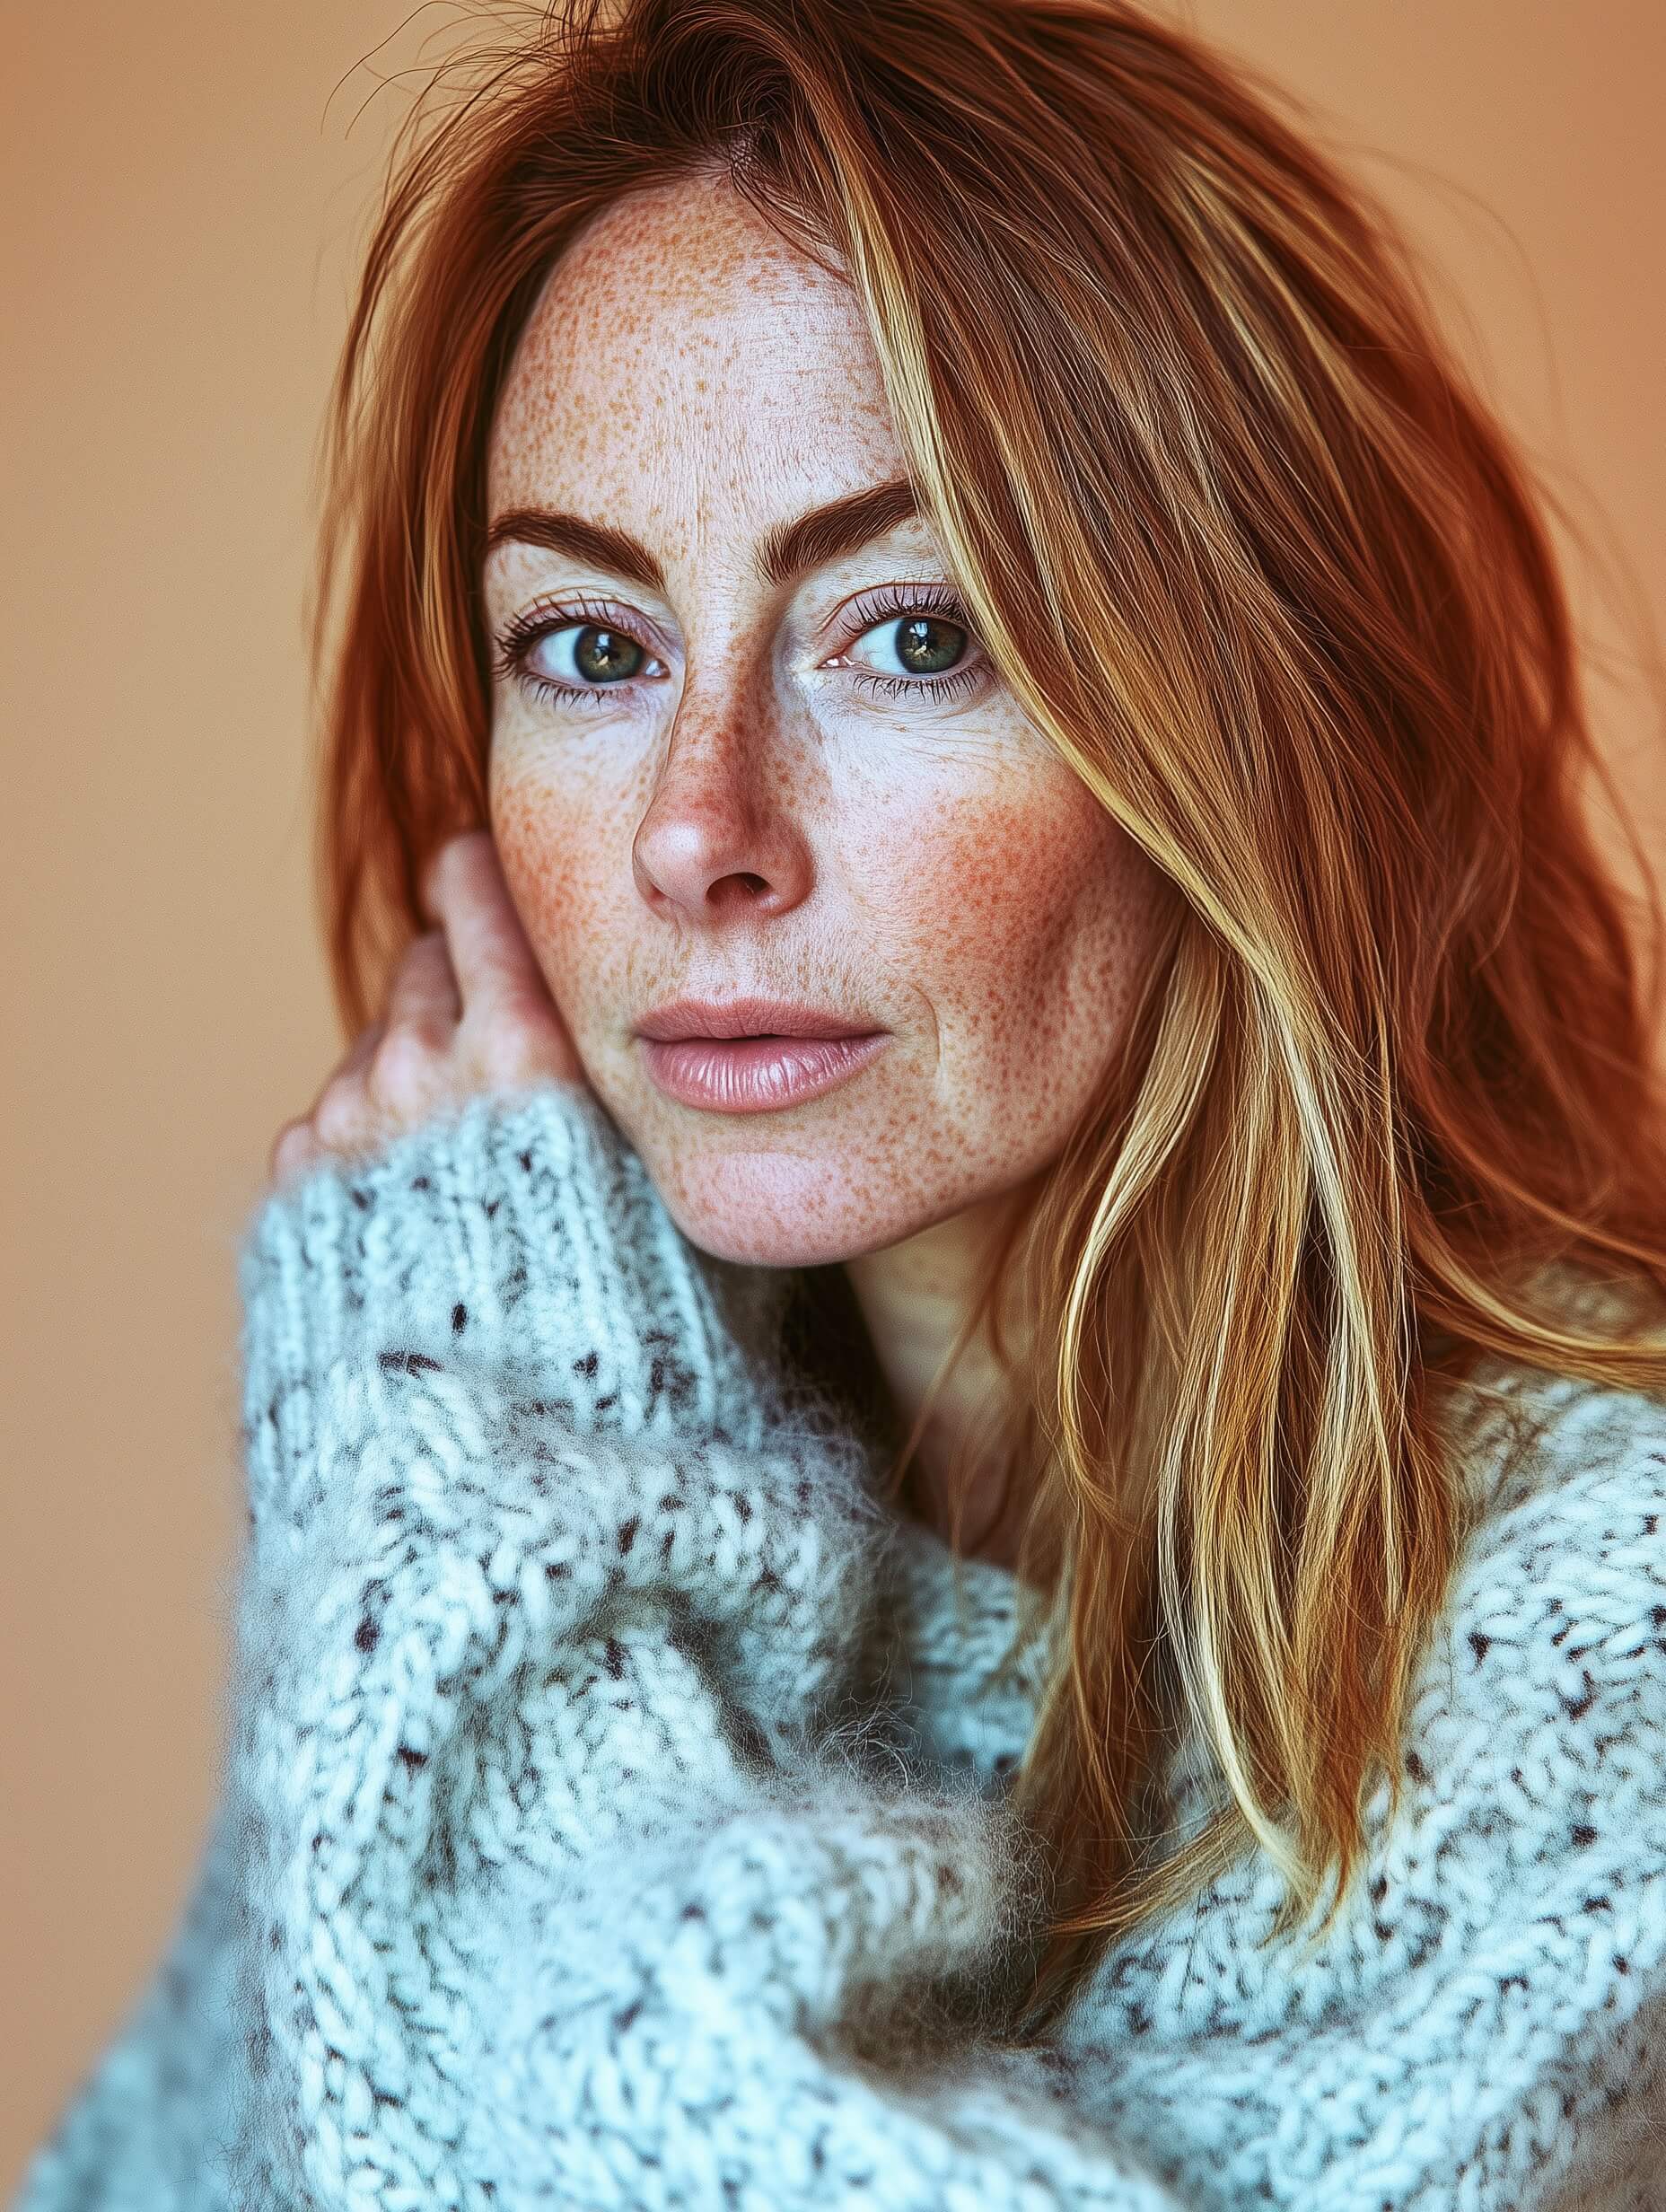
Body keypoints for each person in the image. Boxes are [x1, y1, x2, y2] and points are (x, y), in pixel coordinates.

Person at [15, 0, 1666, 2204]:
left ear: (1259, 726)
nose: (699, 829)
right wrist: (490, 1473)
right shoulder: (526, 1483)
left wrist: (466, 1500)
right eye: (590, 649)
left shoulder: (1606, 1622)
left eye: (907, 632)